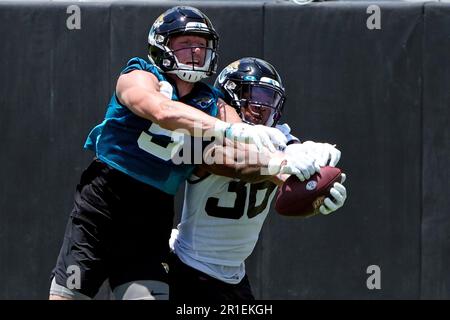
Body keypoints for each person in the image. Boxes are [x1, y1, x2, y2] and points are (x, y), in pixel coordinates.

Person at [48, 7, 292, 300]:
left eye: (201, 44)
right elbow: (161, 111)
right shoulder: (139, 74)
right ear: (162, 44)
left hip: (151, 216)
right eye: (185, 43)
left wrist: (293, 165)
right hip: (102, 205)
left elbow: (249, 148)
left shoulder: (211, 101)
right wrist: (231, 131)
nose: (196, 51)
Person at [169, 57, 348, 301]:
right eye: (254, 95)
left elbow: (289, 159)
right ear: (230, 95)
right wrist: (281, 162)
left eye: (269, 99)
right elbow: (235, 162)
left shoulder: (276, 138)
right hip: (192, 268)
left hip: (235, 275)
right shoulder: (208, 133)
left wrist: (319, 183)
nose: (262, 106)